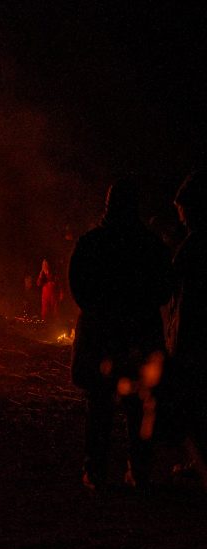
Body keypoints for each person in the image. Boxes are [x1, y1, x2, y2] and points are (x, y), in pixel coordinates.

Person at [69, 177, 174, 493]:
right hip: (138, 335)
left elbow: (79, 287)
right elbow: (164, 289)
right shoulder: (151, 245)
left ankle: (96, 470)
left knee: (100, 407)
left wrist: (100, 312)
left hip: (103, 336)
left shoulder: (92, 243)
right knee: (136, 409)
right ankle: (138, 470)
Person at [172, 172, 207, 479]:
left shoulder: (195, 245)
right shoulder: (192, 243)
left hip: (196, 335)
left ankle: (200, 464)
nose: (181, 218)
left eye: (183, 210)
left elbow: (168, 282)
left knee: (195, 400)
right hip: (193, 332)